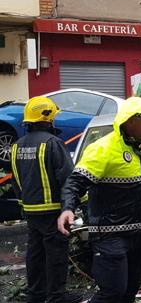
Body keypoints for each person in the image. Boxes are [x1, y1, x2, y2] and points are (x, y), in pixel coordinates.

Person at [58, 97, 141, 302]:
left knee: (129, 291)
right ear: (131, 120)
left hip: (140, 233)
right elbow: (75, 183)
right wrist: (68, 208)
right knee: (112, 292)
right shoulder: (103, 148)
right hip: (110, 235)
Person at [10, 97, 82, 303]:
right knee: (56, 253)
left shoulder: (17, 146)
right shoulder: (53, 143)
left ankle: (35, 293)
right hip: (53, 211)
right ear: (47, 117)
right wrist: (77, 203)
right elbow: (68, 177)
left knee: (35, 253)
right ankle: (57, 295)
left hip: (30, 210)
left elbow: (16, 180)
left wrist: (25, 204)